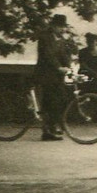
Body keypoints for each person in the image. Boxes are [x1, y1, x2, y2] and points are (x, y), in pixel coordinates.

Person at [34, 13, 74, 141]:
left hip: (56, 76)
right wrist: (58, 67)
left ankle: (52, 126)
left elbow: (64, 55)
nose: (62, 29)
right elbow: (48, 55)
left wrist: (69, 67)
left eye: (63, 27)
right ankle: (47, 130)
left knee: (61, 99)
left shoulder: (61, 39)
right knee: (50, 100)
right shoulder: (45, 37)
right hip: (45, 74)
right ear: (53, 26)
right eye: (60, 26)